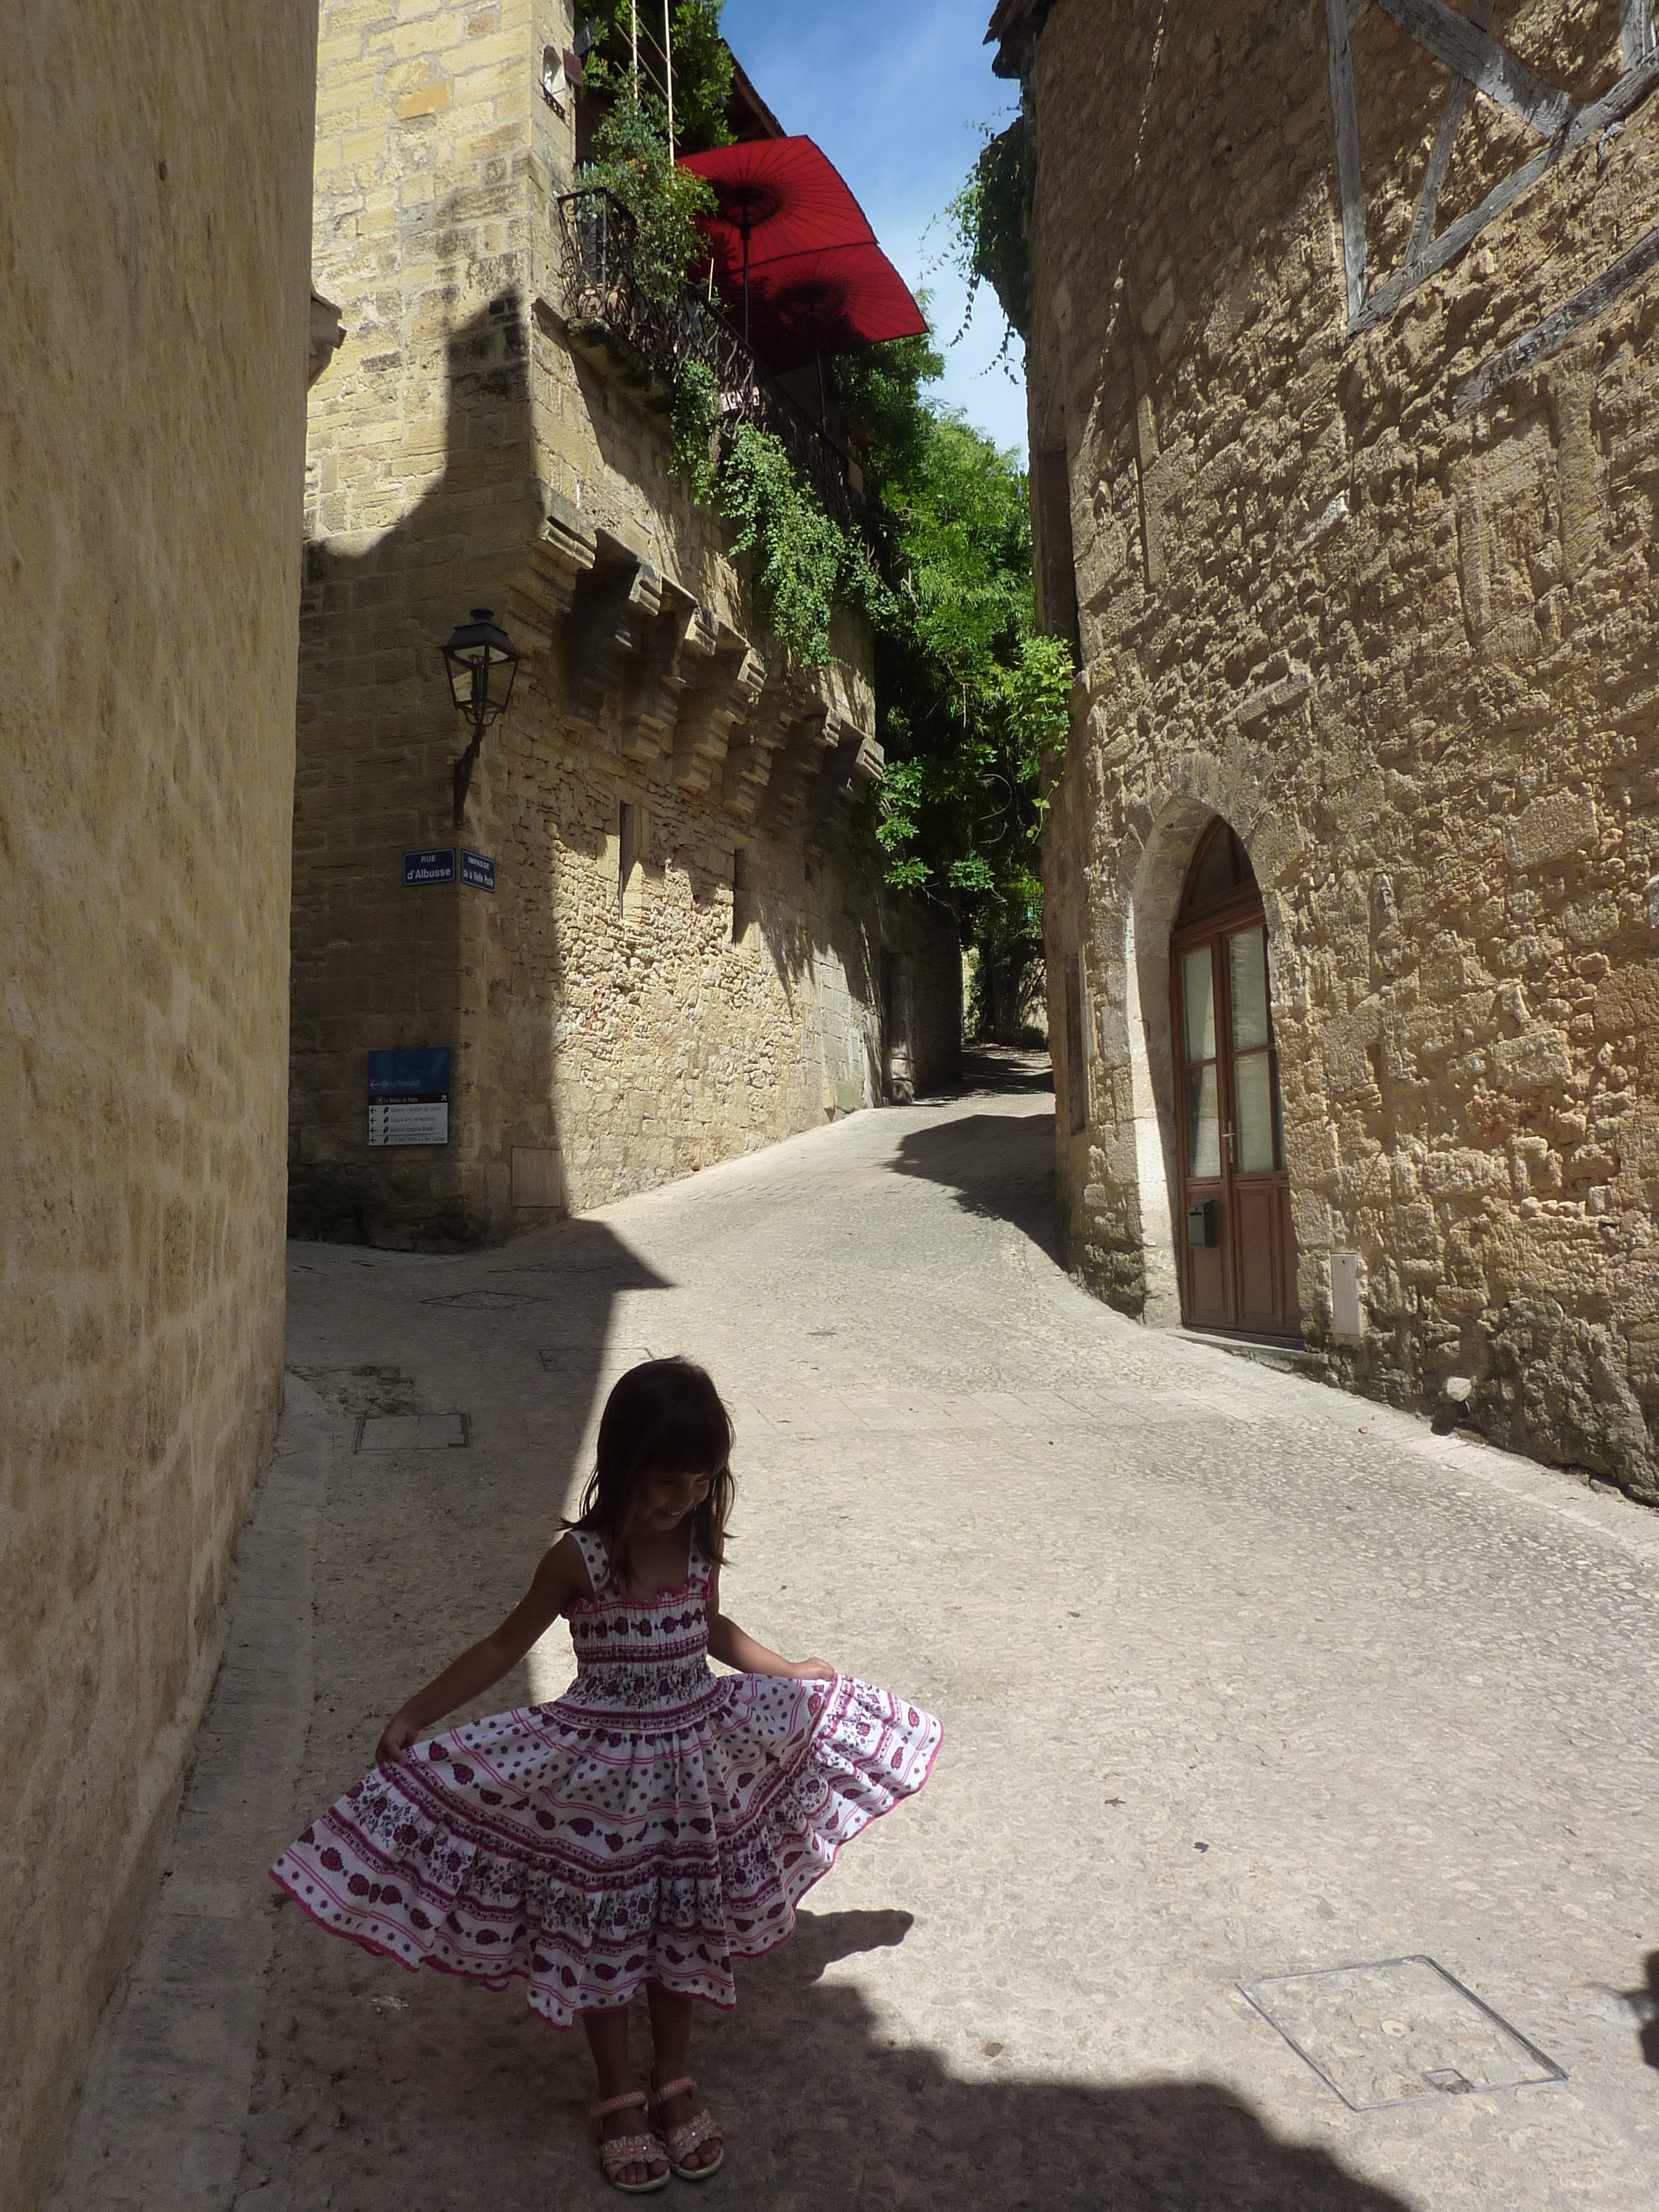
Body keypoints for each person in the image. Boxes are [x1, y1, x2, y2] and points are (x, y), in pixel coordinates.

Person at [271, 1357, 942, 2193]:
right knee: (606, 1931)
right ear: (623, 1465)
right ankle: (619, 2093)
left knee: (681, 1923)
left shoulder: (697, 1547)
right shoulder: (578, 1561)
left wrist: (788, 1672)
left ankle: (674, 2077)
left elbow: (712, 1631)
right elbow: (500, 1647)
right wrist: (417, 1711)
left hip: (693, 1772)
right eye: (668, 1482)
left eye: (701, 1482)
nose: (683, 1499)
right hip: (603, 1787)